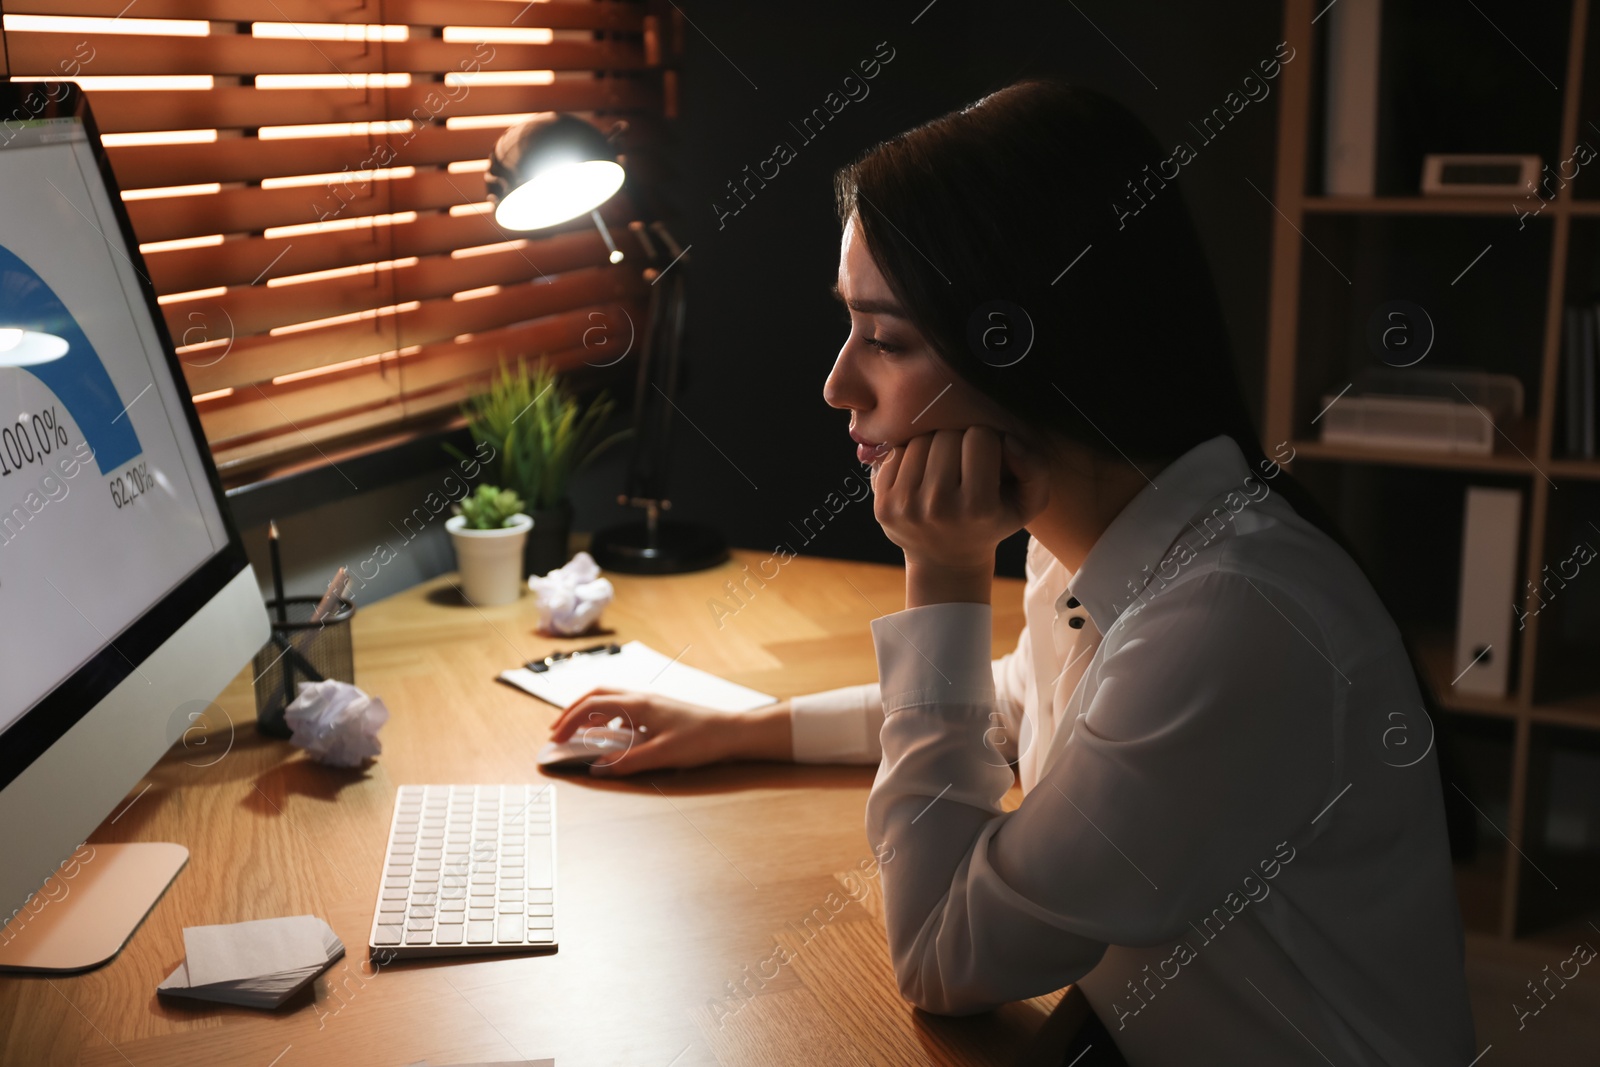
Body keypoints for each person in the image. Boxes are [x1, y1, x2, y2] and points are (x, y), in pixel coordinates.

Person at [547, 79, 1476, 1064]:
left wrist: (941, 573)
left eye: (887, 338)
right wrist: (742, 729)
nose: (836, 384)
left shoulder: (1230, 624)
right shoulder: (1097, 533)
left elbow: (943, 952)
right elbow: (1009, 703)